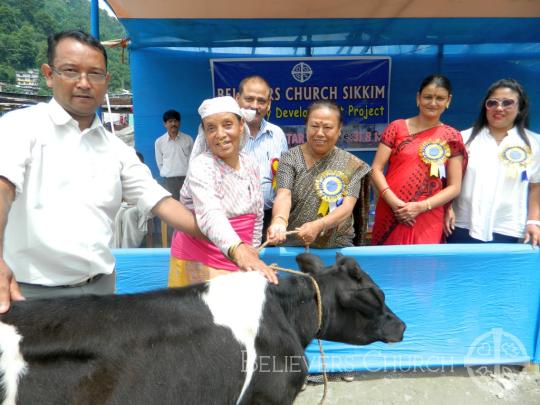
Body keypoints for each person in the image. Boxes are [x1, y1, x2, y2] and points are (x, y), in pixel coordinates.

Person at [0, 30, 263, 313]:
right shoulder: (20, 127)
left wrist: (233, 243)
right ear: (49, 74)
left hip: (99, 291)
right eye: (71, 71)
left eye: (95, 74)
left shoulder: (115, 148)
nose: (84, 83)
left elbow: (161, 203)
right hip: (29, 293)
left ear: (107, 81)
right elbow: (3, 187)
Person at [168, 96, 278, 287]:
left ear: (241, 124)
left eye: (228, 124)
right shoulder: (202, 166)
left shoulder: (250, 163)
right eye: (211, 128)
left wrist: (251, 253)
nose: (220, 134)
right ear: (204, 132)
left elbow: (257, 214)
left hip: (239, 255)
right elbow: (211, 215)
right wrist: (239, 250)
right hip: (201, 259)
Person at [371, 74, 467, 245]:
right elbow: (376, 169)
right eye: (428, 97)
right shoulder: (396, 128)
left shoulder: (452, 136)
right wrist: (395, 204)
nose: (433, 103)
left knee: (424, 267)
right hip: (391, 210)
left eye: (440, 98)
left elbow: (454, 187)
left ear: (448, 100)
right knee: (386, 267)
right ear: (418, 97)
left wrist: (421, 207)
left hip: (428, 214)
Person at [445, 78, 540, 246]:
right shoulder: (463, 138)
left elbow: (535, 187)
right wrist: (447, 208)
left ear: (520, 108)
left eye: (508, 103)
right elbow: (446, 181)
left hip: (507, 227)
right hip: (460, 224)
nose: (499, 108)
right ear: (485, 107)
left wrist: (533, 222)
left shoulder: (534, 143)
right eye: (492, 103)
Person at [266, 100, 371, 248]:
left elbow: (347, 207)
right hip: (294, 246)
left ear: (339, 129)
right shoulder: (290, 158)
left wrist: (320, 224)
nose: (320, 133)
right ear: (306, 127)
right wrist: (279, 221)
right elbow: (284, 194)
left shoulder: (352, 165)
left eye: (327, 127)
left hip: (337, 247)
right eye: (314, 126)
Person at [235, 75, 288, 236]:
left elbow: (284, 180)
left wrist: (279, 220)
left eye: (261, 101)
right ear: (237, 99)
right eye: (249, 99)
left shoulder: (277, 134)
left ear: (269, 104)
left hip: (269, 218)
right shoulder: (227, 134)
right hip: (234, 219)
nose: (255, 106)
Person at [154, 109, 194, 200]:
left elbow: (193, 159)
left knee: (188, 206)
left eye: (175, 121)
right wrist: (168, 173)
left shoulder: (188, 139)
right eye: (170, 121)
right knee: (173, 207)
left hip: (187, 179)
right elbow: (159, 162)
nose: (173, 124)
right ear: (165, 124)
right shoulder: (159, 142)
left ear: (179, 123)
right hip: (169, 181)